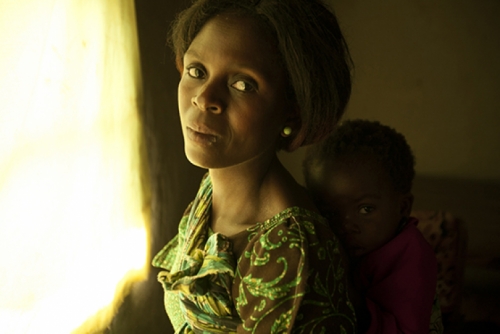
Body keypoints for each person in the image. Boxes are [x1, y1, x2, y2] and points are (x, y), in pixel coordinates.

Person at [151, 0, 357, 332]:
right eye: (197, 71)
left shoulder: (287, 251)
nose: (204, 98)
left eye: (243, 84)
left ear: (292, 110)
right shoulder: (212, 190)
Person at [303, 119, 444, 333]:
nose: (345, 225)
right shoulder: (326, 241)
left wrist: (346, 294)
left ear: (403, 207)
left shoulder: (411, 255)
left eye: (365, 209)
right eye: (330, 212)